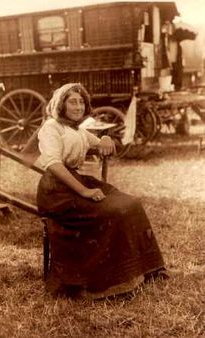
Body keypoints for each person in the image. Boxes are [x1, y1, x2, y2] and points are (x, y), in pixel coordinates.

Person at [36, 83, 167, 299]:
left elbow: (102, 144)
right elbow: (53, 164)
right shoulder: (52, 127)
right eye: (72, 102)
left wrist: (105, 139)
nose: (78, 107)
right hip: (57, 192)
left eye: (81, 102)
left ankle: (145, 269)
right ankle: (101, 280)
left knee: (131, 204)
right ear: (61, 104)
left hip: (76, 182)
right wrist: (85, 192)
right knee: (112, 211)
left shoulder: (76, 129)